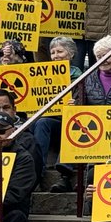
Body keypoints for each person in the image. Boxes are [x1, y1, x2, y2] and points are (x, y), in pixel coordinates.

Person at [33, 37, 81, 192]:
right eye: (53, 52)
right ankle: (36, 173)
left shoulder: (80, 76)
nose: (56, 56)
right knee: (41, 123)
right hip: (50, 121)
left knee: (72, 120)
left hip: (70, 122)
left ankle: (64, 176)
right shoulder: (43, 75)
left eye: (60, 51)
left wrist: (75, 105)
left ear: (71, 54)